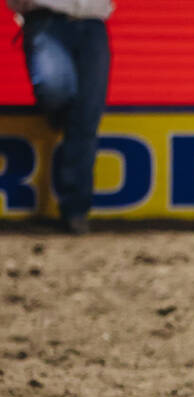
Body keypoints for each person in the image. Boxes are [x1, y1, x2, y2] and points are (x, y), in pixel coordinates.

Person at [7, 0, 112, 234]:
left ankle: (75, 211)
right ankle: (58, 116)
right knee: (55, 89)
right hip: (46, 19)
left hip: (94, 23)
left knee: (86, 118)